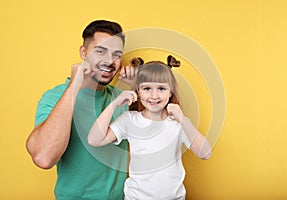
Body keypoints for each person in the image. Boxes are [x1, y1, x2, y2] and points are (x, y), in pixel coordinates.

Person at [26, 20, 138, 199]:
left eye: (116, 54)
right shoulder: (55, 97)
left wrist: (136, 89)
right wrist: (74, 87)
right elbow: (44, 158)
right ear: (83, 52)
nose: (109, 61)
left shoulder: (121, 98)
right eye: (100, 51)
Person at [88, 56, 212, 200]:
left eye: (161, 88)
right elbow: (94, 140)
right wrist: (114, 104)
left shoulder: (178, 123)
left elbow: (205, 153)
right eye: (147, 88)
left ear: (170, 91)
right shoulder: (129, 120)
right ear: (138, 91)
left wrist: (183, 119)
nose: (154, 96)